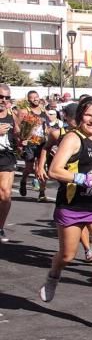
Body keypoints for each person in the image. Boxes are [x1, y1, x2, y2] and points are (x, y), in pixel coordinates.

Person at [38, 96, 92, 329]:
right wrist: (84, 179)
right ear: (80, 116)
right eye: (89, 115)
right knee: (67, 255)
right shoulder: (73, 139)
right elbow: (55, 170)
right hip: (73, 206)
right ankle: (54, 274)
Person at [18, 89, 49, 202]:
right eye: (32, 97)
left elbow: (48, 126)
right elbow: (18, 127)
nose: (35, 99)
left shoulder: (43, 111)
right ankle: (23, 180)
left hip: (42, 144)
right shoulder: (25, 111)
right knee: (29, 168)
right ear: (28, 99)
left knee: (41, 168)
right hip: (30, 144)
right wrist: (21, 141)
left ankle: (42, 192)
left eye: (37, 96)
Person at [0, 85, 15, 242]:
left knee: (5, 194)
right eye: (0, 97)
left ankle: (0, 227)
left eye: (6, 97)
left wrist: (24, 139)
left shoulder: (13, 116)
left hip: (6, 157)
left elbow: (19, 135)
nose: (3, 100)